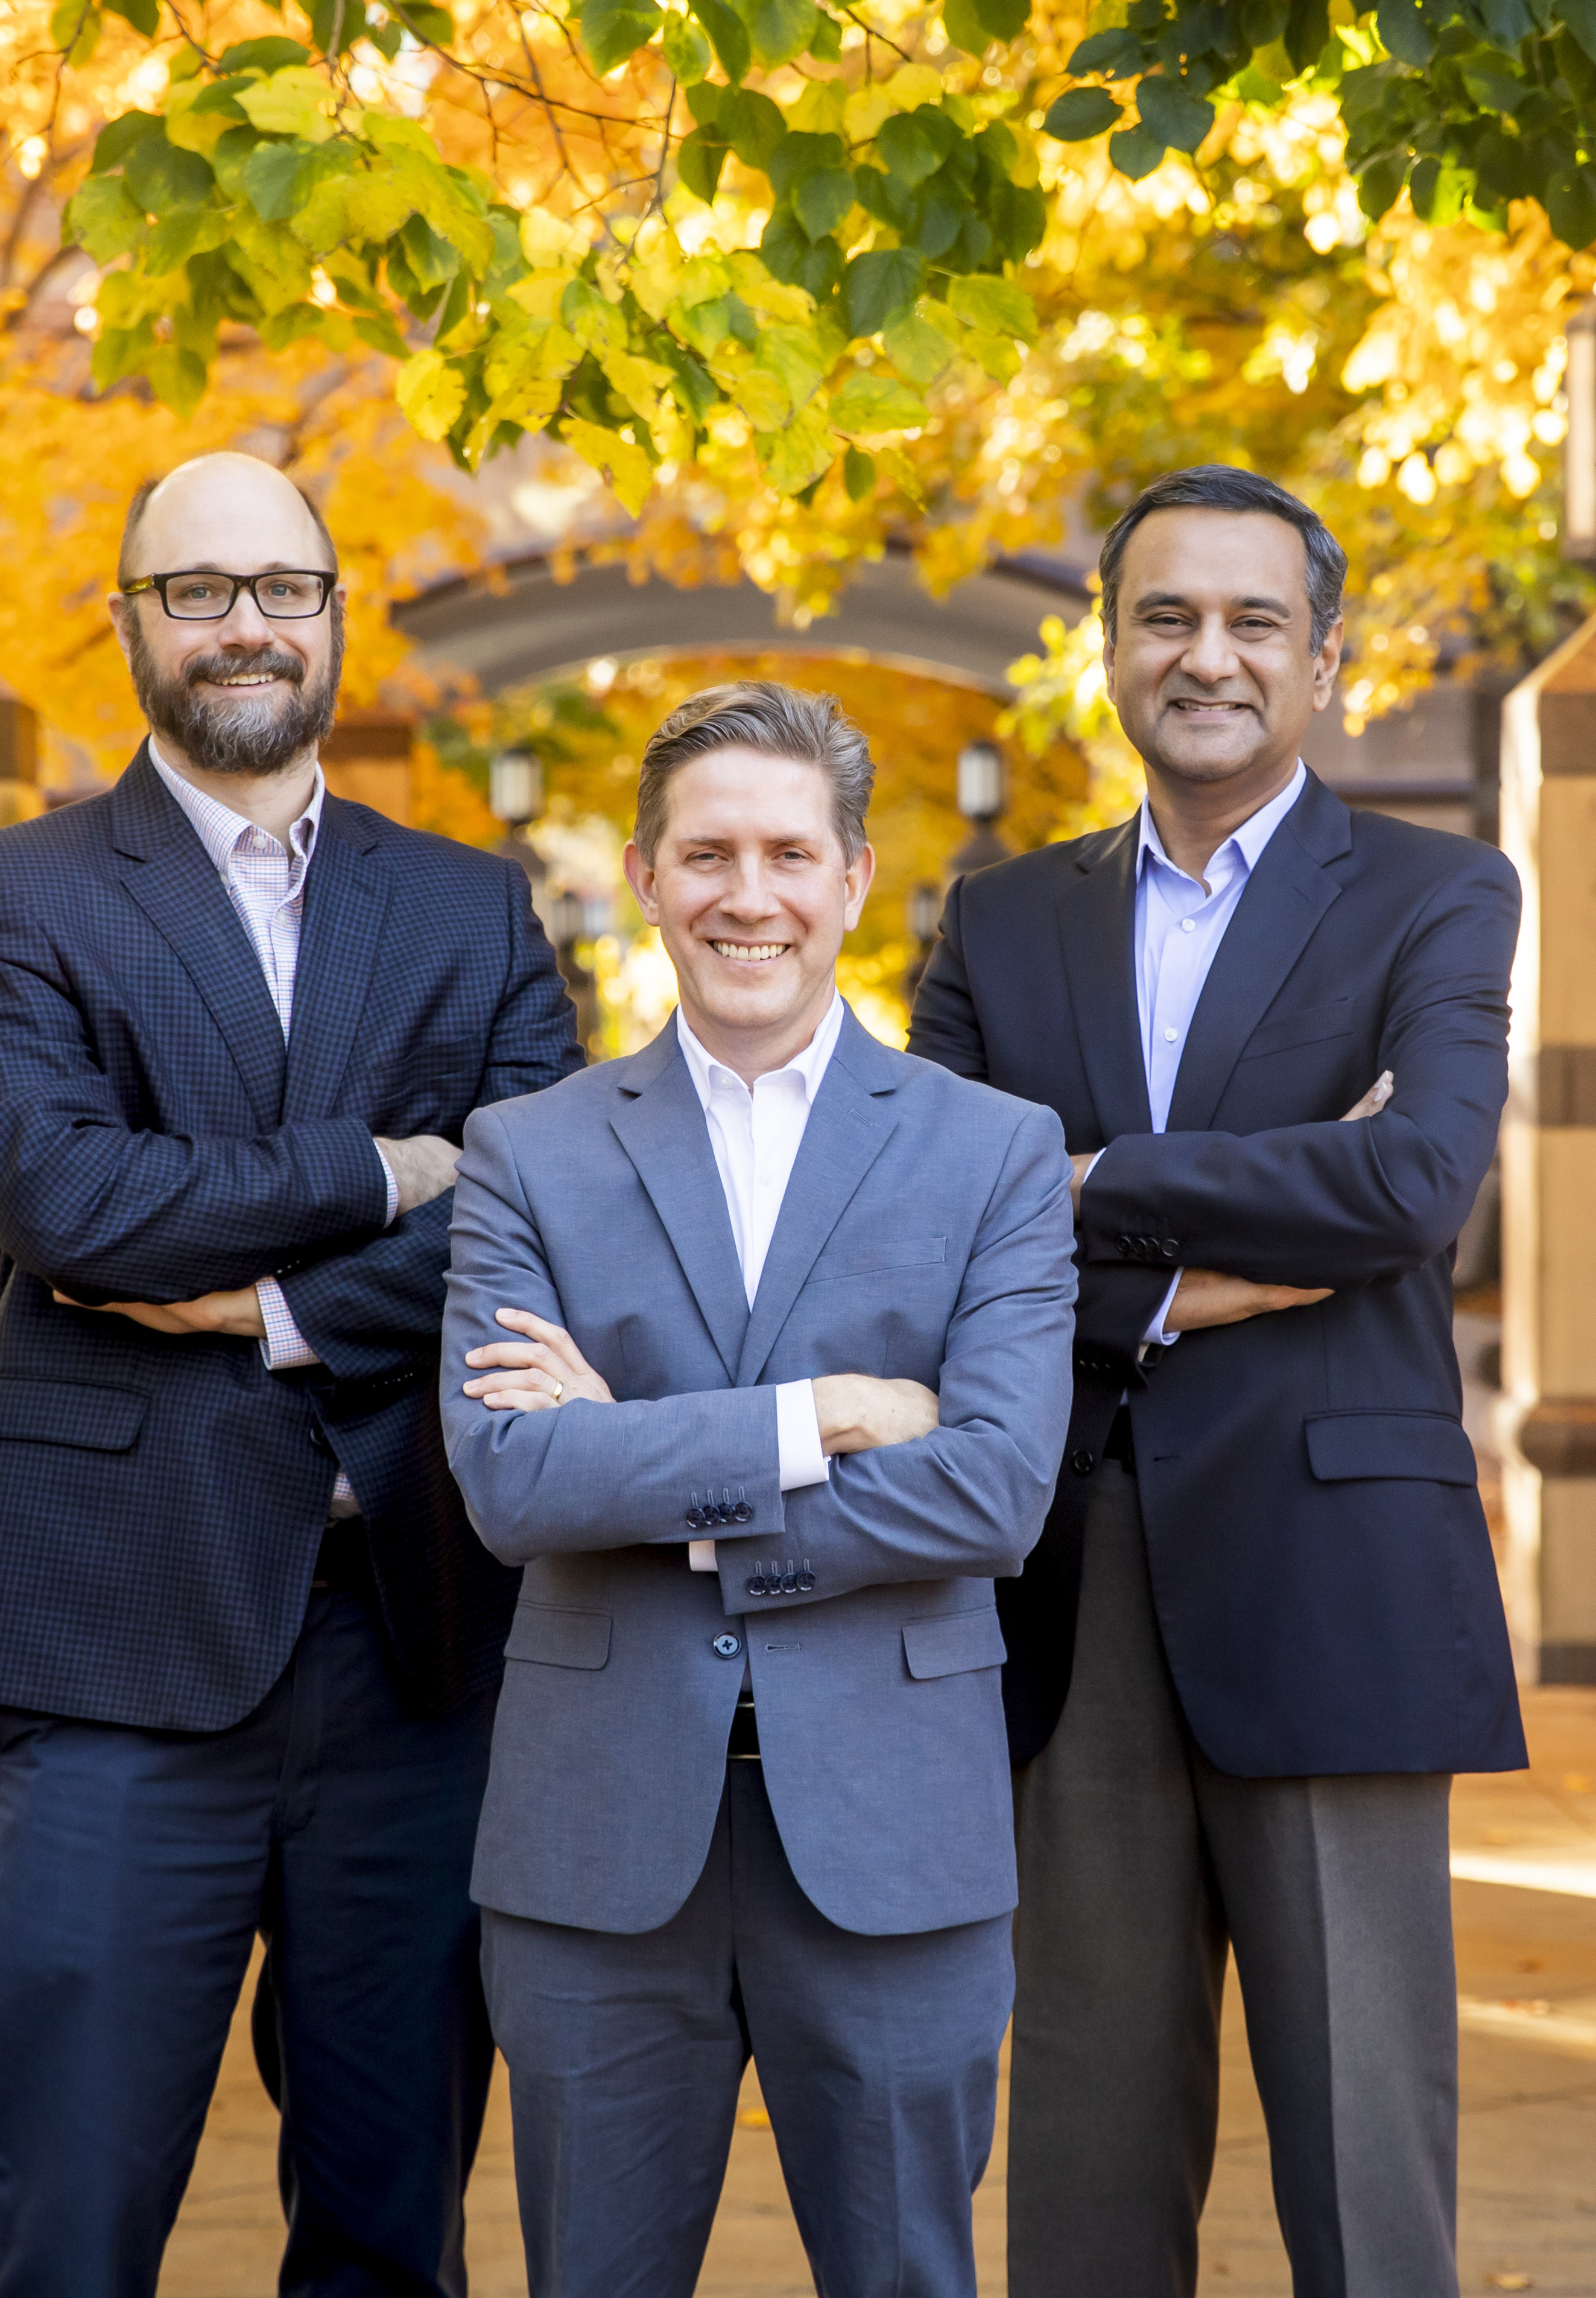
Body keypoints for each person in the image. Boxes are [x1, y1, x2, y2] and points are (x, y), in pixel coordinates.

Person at [0, 451, 583, 2298]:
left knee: (391, 2217)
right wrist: (378, 1171)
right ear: (129, 624)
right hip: (111, 1633)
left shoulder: (474, 911)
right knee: (71, 2219)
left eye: (284, 585)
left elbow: (540, 1217)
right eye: (196, 590)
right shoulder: (6, 896)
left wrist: (270, 1309)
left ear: (339, 615)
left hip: (419, 1644)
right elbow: (73, 1200)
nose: (246, 623)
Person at [908, 464, 1524, 2298]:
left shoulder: (1439, 891)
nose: (1210, 654)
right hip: (1070, 1573)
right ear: (1105, 649)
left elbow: (1419, 1186)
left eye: (1257, 620)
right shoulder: (1001, 922)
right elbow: (936, 1244)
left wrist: (1091, 1185)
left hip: (1339, 1575)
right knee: (1087, 2147)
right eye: (1167, 615)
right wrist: (1190, 1286)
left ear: (1326, 659)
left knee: (1366, 2149)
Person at [438, 682, 1074, 2298]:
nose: (749, 895)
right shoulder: (529, 1151)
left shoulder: (993, 1152)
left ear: (854, 878)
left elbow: (994, 1492)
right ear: (646, 876)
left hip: (892, 1833)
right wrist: (831, 1417)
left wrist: (657, 1473)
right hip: (598, 1841)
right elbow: (514, 1479)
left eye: (790, 853)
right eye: (707, 853)